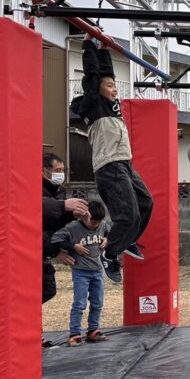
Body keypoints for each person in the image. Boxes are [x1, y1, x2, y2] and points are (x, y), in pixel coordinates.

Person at [72, 37, 153, 284]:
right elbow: (93, 76)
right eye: (109, 86)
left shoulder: (112, 105)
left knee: (146, 203)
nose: (115, 89)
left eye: (114, 86)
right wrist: (88, 45)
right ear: (97, 89)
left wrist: (104, 49)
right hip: (109, 167)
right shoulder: (93, 104)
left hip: (125, 164)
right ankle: (110, 253)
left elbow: (106, 73)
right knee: (128, 216)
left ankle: (128, 241)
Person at [51, 200, 109, 347]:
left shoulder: (102, 225)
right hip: (81, 272)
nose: (96, 225)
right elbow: (55, 238)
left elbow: (109, 232)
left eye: (98, 222)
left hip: (97, 271)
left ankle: (93, 330)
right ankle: (74, 333)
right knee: (79, 304)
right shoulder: (72, 227)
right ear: (84, 216)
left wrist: (107, 239)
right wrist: (73, 246)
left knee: (98, 302)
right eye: (93, 222)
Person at [41, 152, 88, 305]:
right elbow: (37, 216)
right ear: (43, 171)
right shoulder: (33, 188)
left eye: (63, 170)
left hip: (45, 249)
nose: (61, 174)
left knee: (48, 289)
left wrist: (72, 215)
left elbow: (55, 223)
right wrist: (55, 251)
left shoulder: (59, 190)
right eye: (57, 170)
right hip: (36, 249)